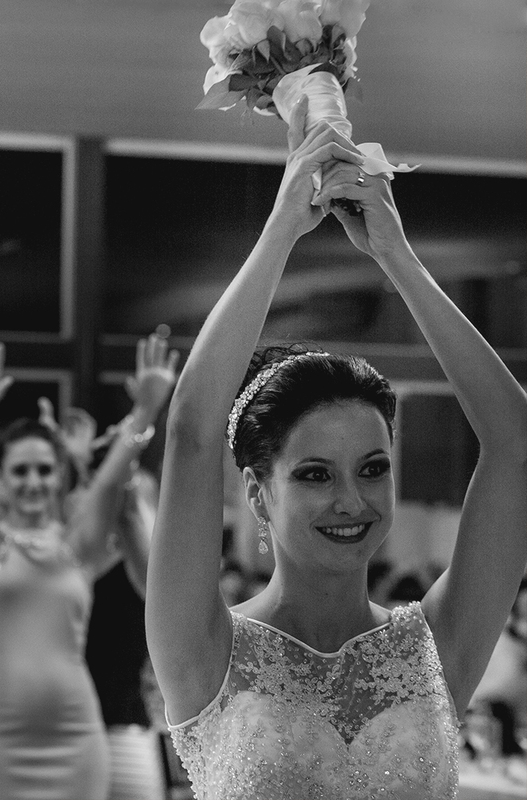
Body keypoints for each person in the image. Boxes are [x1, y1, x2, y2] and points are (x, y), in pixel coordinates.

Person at [146, 97, 527, 799]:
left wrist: (396, 255)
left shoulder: (438, 648)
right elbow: (193, 431)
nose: (350, 500)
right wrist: (281, 230)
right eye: (315, 474)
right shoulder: (205, 649)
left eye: (373, 469)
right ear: (258, 490)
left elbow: (515, 444)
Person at [0, 334, 176, 800]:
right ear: (3, 478)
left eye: (43, 470)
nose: (33, 481)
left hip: (74, 733)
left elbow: (112, 480)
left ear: (59, 476)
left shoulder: (77, 547)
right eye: (20, 471)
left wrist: (146, 412)